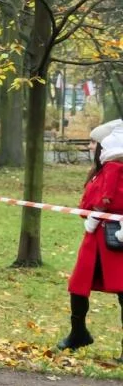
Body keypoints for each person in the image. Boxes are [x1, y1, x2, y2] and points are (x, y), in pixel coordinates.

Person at [59, 122, 123, 351]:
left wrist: (96, 212)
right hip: (94, 239)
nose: (90, 146)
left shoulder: (115, 169)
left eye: (93, 142)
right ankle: (78, 333)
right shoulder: (101, 170)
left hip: (113, 239)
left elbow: (106, 200)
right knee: (78, 286)